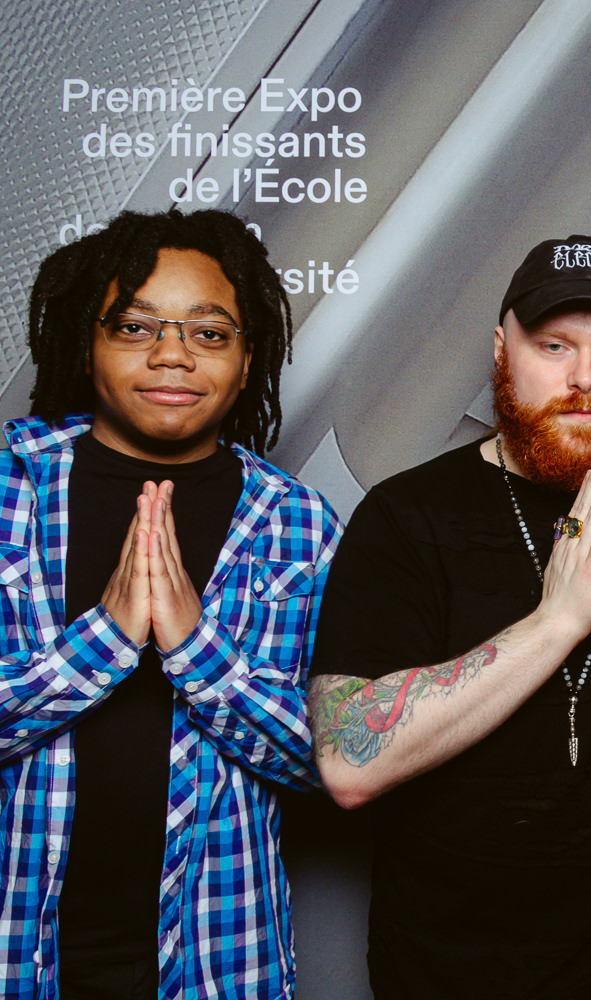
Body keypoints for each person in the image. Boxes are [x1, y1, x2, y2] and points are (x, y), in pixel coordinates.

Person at [307, 235, 591, 998]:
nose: (584, 378)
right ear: (502, 352)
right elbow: (349, 762)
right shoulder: (408, 517)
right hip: (446, 977)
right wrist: (554, 623)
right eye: (553, 346)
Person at [0, 209, 342, 999]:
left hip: (217, 960)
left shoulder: (297, 526)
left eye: (209, 333)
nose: (172, 355)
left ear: (249, 359)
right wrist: (103, 642)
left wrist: (196, 651)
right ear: (86, 344)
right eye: (135, 326)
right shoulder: (10, 490)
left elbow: (334, 762)